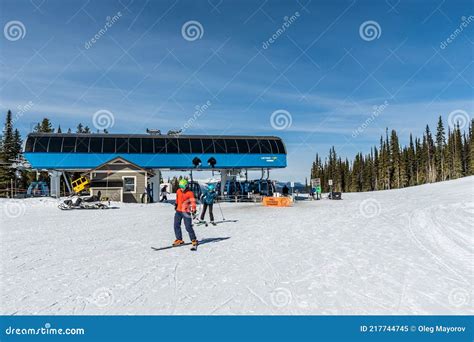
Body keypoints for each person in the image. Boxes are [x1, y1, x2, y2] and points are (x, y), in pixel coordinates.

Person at [173, 179, 198, 247]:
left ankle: (193, 239)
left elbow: (193, 202)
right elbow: (177, 198)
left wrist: (194, 209)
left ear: (186, 186)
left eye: (183, 187)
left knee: (188, 227)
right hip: (178, 211)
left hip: (186, 211)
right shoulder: (178, 191)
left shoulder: (190, 193)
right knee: (176, 225)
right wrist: (176, 204)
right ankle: (179, 239)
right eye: (180, 186)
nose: (181, 188)